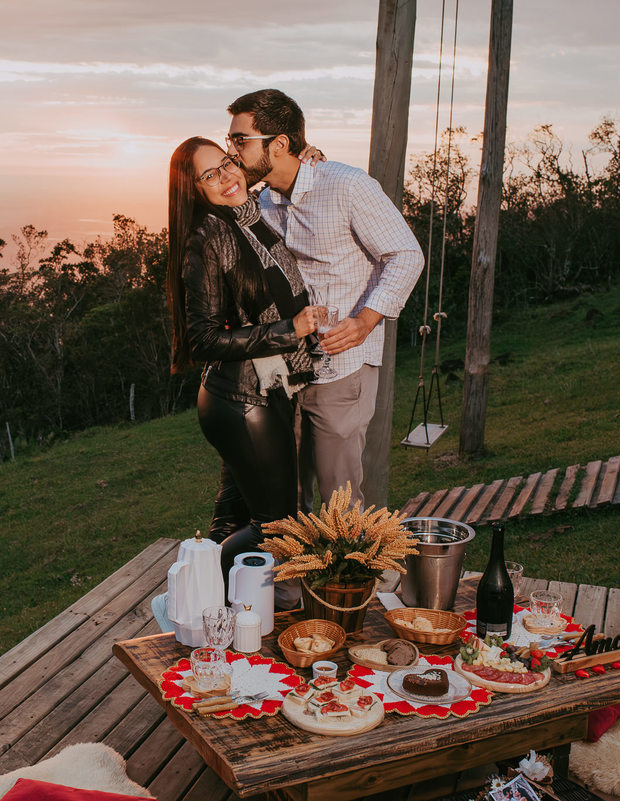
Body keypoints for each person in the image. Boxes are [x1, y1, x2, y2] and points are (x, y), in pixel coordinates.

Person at [226, 88, 425, 511]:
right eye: (231, 140)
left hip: (341, 366)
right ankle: (293, 559)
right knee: (286, 496)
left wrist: (365, 322)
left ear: (279, 144)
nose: (232, 150)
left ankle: (350, 558)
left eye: (240, 140)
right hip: (284, 370)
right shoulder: (262, 201)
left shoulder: (347, 186)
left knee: (340, 501)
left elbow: (407, 255)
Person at [167, 136, 319, 593]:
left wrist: (303, 156)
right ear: (194, 189)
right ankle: (196, 590)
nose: (227, 176)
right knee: (278, 527)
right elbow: (204, 338)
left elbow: (269, 170)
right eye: (210, 175)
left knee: (230, 521)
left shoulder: (248, 217)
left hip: (256, 392)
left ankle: (209, 613)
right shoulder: (207, 238)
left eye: (228, 163)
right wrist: (289, 330)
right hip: (242, 401)